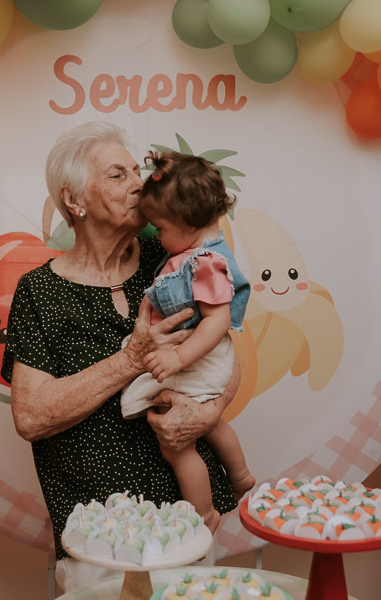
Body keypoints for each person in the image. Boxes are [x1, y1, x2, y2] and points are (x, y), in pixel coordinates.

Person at [2, 121, 239, 592]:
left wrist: (206, 412)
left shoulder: (172, 255)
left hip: (185, 526)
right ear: (75, 201)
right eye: (117, 175)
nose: (139, 182)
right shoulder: (39, 292)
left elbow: (227, 356)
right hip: (100, 537)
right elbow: (30, 417)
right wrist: (131, 360)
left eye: (136, 170)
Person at [120, 151, 254, 532]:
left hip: (200, 356)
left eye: (159, 227)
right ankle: (240, 475)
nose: (155, 235)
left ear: (187, 223)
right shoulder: (189, 253)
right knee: (206, 422)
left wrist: (177, 358)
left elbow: (217, 321)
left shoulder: (207, 261)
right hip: (195, 354)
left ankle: (204, 513)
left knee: (176, 444)